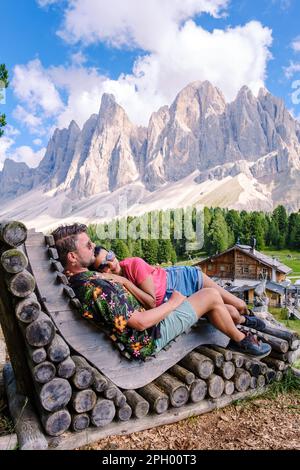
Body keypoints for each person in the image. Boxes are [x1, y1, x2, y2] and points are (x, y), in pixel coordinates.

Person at [52, 223, 271, 361]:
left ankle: (242, 325)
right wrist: (173, 303)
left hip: (155, 318)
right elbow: (139, 323)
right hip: (149, 337)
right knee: (211, 296)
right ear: (72, 257)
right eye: (88, 245)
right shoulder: (95, 286)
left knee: (222, 305)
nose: (93, 246)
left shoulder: (89, 280)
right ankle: (240, 340)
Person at [91, 246, 265, 331]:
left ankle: (249, 315)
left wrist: (124, 281)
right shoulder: (113, 282)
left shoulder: (133, 264)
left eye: (110, 256)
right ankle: (244, 321)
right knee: (232, 314)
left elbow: (151, 302)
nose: (110, 264)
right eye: (103, 266)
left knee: (239, 305)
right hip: (178, 299)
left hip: (185, 280)